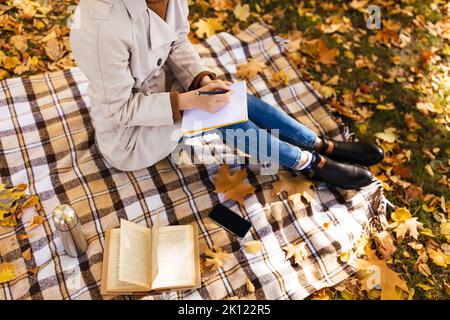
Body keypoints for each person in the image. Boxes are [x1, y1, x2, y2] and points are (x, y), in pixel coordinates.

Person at [70, 0, 384, 190]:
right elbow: (120, 109)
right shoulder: (101, 26)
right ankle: (309, 163)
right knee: (218, 112)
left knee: (225, 95)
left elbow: (177, 42)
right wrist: (190, 101)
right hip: (130, 134)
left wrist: (201, 79)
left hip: (164, 90)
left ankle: (318, 144)